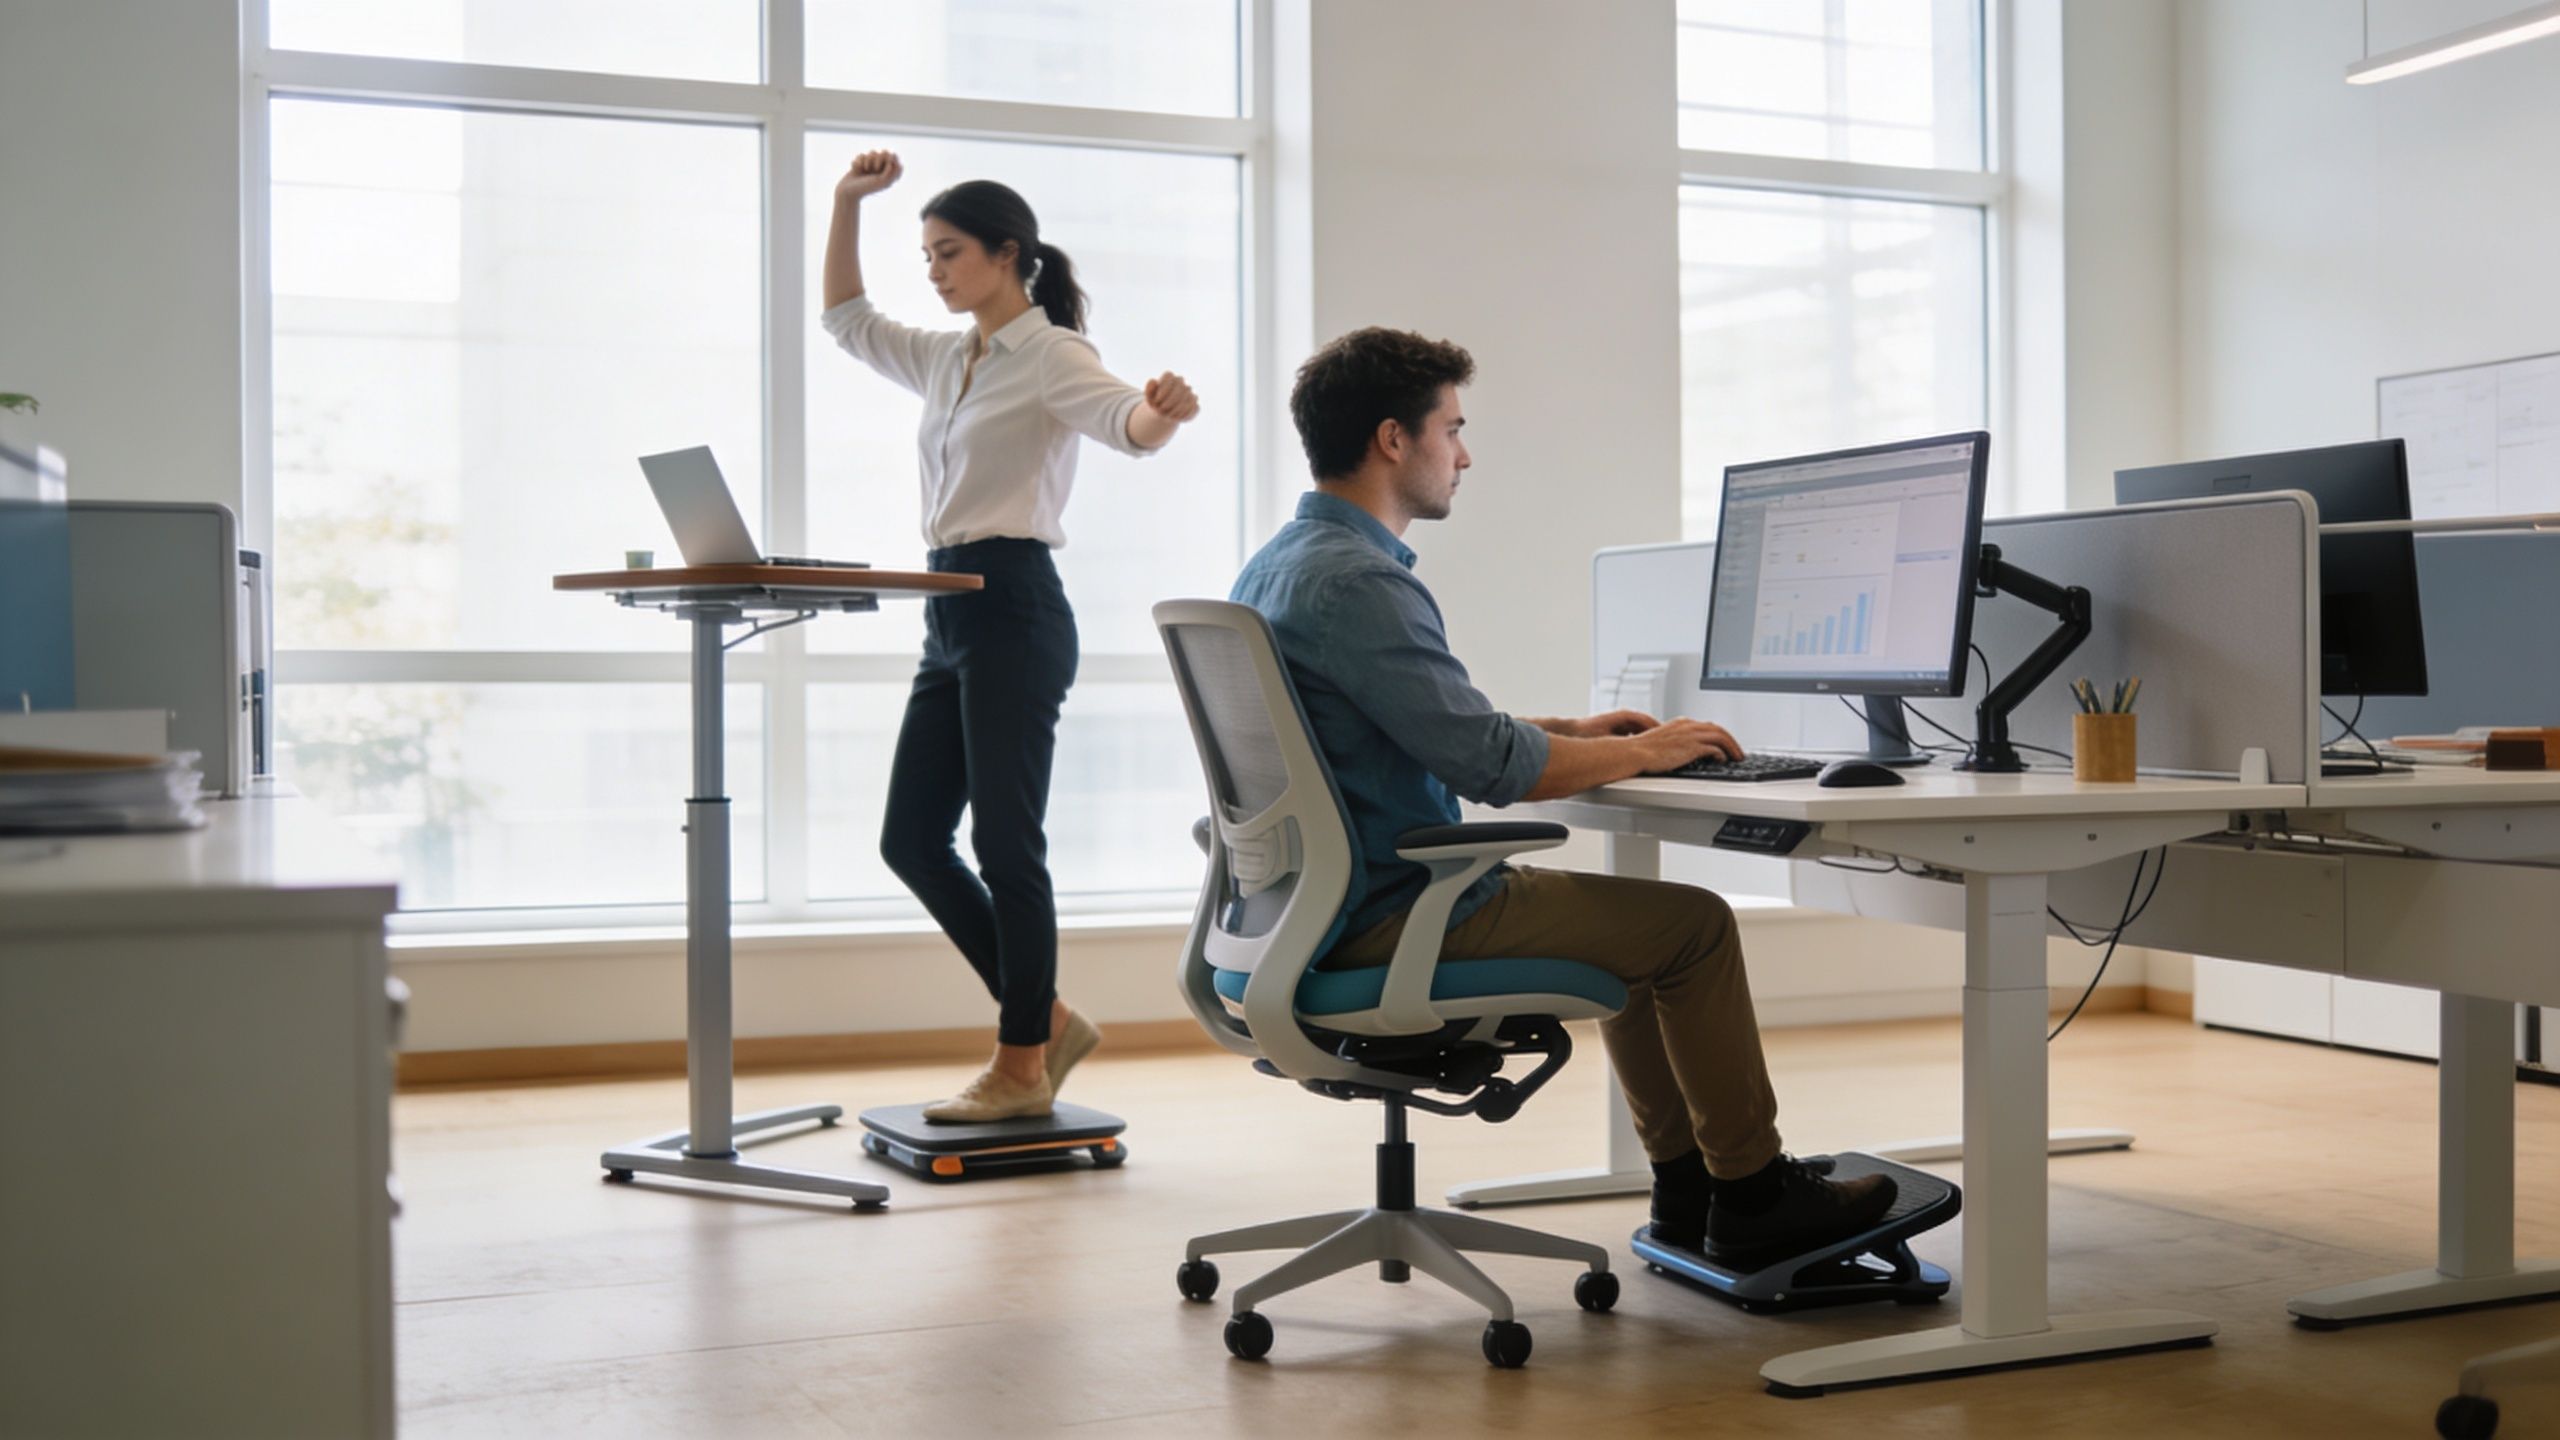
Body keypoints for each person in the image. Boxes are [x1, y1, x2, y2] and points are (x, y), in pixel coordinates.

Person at [1229, 326, 1896, 1257]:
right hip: (1391, 911)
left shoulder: (1281, 565)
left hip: (1300, 910)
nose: (1463, 454)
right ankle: (1751, 1198)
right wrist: (1651, 750)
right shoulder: (1360, 582)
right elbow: (1495, 769)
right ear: (1393, 440)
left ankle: (1684, 1190)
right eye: (1451, 429)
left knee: (1644, 933)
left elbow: (1428, 727)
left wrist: (1579, 733)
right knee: (1692, 928)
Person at [821, 150, 1202, 1123]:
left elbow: (1124, 424)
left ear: (1007, 254)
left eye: (949, 254)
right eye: (928, 257)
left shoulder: (1051, 353)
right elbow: (846, 321)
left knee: (1004, 842)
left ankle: (1022, 1062)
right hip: (948, 612)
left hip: (1016, 607)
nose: (936, 272)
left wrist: (1158, 416)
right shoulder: (950, 357)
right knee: (911, 839)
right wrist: (842, 204)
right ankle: (1047, 1015)